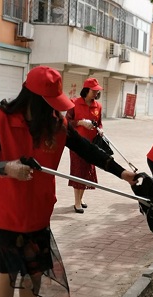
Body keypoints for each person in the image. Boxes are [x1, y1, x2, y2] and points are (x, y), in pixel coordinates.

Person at [0, 66, 137, 297]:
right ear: (34, 99)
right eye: (50, 102)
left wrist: (122, 173)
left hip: (38, 210)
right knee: (9, 269)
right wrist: (5, 168)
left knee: (34, 272)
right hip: (4, 211)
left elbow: (87, 149)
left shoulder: (56, 124)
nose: (56, 109)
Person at [65, 78, 104, 213]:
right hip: (76, 143)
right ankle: (76, 202)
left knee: (86, 171)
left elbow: (99, 122)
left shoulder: (98, 106)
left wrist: (100, 129)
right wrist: (80, 123)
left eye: (97, 91)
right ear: (86, 90)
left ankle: (80, 199)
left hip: (91, 143)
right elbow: (67, 122)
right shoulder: (74, 103)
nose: (96, 93)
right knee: (78, 171)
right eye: (94, 91)